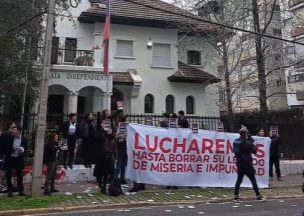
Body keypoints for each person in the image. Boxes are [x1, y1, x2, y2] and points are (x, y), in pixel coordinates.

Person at [233, 127, 265, 202]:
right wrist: (251, 142)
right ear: (246, 134)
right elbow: (255, 151)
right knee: (253, 180)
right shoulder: (248, 142)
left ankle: (236, 196)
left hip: (239, 164)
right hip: (247, 164)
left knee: (239, 180)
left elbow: (236, 152)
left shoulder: (236, 142)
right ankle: (258, 196)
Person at [3, 125, 27, 197]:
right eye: (13, 130)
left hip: (18, 159)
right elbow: (5, 147)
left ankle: (21, 190)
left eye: (15, 130)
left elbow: (25, 147)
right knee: (9, 175)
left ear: (19, 131)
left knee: (19, 175)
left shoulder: (23, 138)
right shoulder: (10, 138)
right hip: (10, 158)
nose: (13, 131)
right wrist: (12, 149)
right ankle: (10, 191)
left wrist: (22, 149)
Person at [114, 116, 128, 185]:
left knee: (122, 164)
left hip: (123, 146)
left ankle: (120, 178)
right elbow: (118, 136)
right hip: (123, 146)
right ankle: (116, 178)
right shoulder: (123, 126)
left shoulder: (120, 126)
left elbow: (117, 136)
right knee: (121, 164)